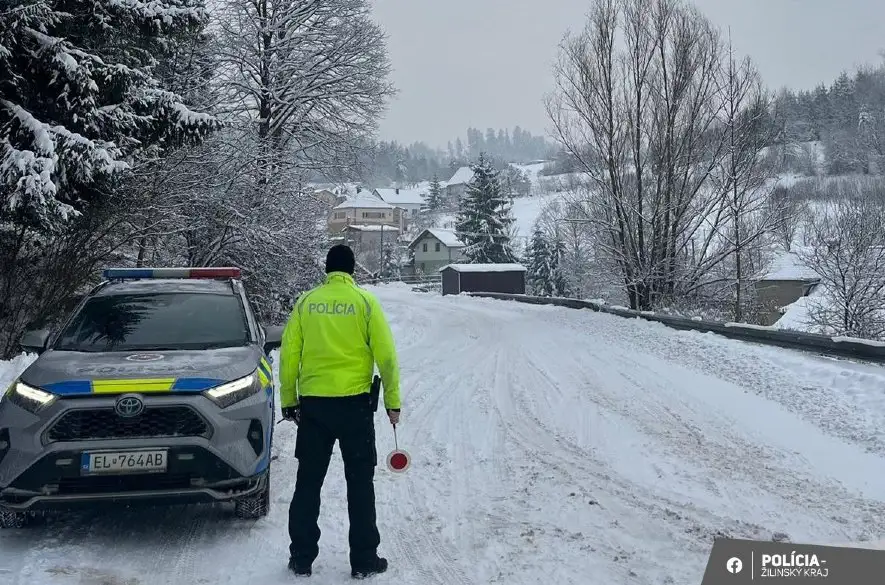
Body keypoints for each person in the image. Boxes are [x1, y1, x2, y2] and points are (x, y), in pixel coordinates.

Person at [278, 244, 401, 579]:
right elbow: (387, 357)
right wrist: (392, 402)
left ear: (326, 270)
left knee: (308, 482)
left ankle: (301, 557)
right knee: (360, 484)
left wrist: (289, 400)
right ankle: (363, 560)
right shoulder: (365, 303)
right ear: (352, 271)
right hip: (355, 408)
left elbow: (289, 356)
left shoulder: (306, 303)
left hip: (315, 408)